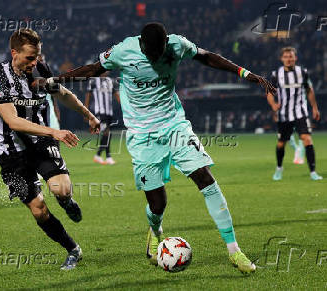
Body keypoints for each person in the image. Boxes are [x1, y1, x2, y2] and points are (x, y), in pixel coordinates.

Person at [50, 22, 275, 274]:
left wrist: (245, 73)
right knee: (157, 204)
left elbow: (207, 57)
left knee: (206, 179)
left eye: (158, 52)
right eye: (149, 53)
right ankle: (156, 231)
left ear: (166, 44)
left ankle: (234, 251)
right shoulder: (125, 49)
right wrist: (55, 82)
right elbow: (93, 69)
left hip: (174, 126)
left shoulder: (177, 44)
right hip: (142, 136)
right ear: (142, 45)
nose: (154, 57)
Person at [0, 28, 100, 270]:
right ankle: (73, 249)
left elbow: (62, 93)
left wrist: (88, 115)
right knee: (38, 210)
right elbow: (12, 121)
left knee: (61, 189)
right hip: (10, 152)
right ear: (14, 53)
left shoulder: (40, 68)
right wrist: (55, 131)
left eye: (37, 56)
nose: (34, 62)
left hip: (40, 142)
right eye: (29, 57)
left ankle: (67, 201)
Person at [267, 47, 322, 181]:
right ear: (282, 59)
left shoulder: (302, 72)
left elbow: (309, 90)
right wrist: (273, 105)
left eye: (291, 56)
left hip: (300, 112)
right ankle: (279, 168)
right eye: (286, 57)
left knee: (307, 139)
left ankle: (313, 172)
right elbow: (269, 92)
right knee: (281, 144)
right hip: (284, 114)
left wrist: (314, 108)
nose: (289, 59)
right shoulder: (276, 74)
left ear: (295, 58)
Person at [84, 72, 120, 165]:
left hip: (109, 112)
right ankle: (108, 157)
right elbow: (88, 96)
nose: (105, 71)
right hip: (99, 112)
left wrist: (124, 107)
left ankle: (98, 155)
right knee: (107, 133)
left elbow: (117, 95)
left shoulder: (111, 81)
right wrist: (86, 112)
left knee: (107, 134)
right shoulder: (93, 81)